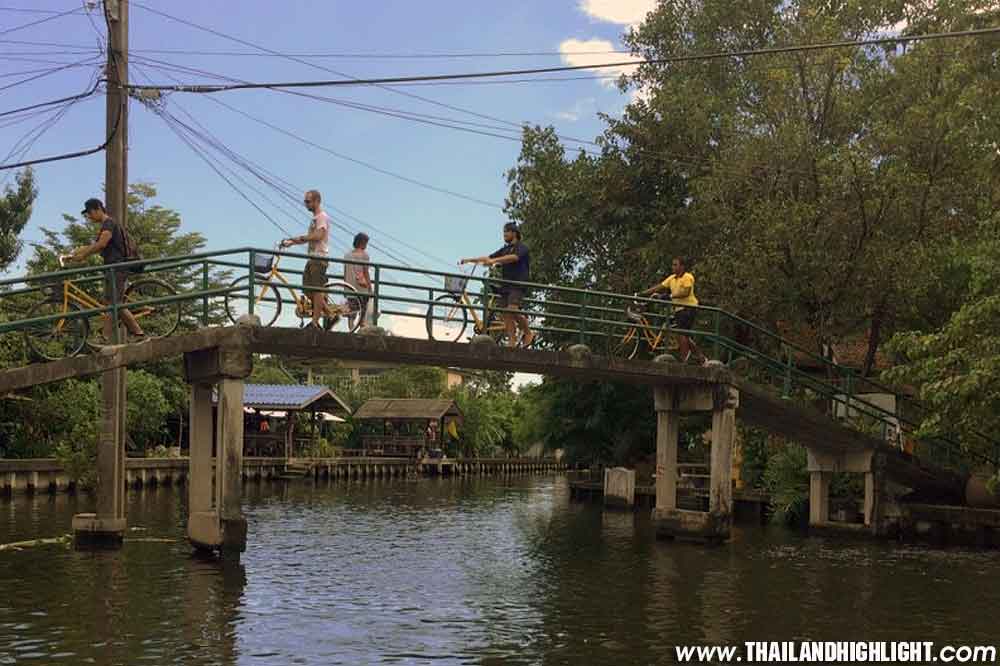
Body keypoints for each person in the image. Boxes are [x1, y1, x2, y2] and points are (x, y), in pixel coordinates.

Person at [64, 198, 145, 343]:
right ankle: (133, 334)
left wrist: (83, 255)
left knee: (114, 303)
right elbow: (95, 246)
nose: (89, 217)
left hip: (118, 267)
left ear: (97, 209)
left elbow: (101, 244)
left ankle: (109, 336)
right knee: (112, 303)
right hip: (112, 268)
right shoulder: (106, 226)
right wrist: (75, 254)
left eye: (89, 213)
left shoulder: (109, 223)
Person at [459, 222, 534, 348]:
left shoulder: (522, 247)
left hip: (518, 283)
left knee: (512, 310)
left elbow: (513, 258)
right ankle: (512, 341)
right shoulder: (504, 249)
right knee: (505, 314)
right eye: (504, 232)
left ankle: (528, 332)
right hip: (506, 284)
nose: (504, 234)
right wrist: (470, 260)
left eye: (507, 232)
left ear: (514, 233)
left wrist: (494, 261)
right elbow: (488, 257)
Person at [281, 189, 333, 329]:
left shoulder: (322, 217)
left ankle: (315, 322)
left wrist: (303, 238)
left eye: (308, 201)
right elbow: (310, 237)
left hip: (319, 258)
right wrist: (292, 242)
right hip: (312, 258)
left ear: (317, 201)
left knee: (316, 290)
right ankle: (330, 313)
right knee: (307, 289)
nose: (306, 204)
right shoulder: (314, 219)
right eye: (305, 201)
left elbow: (319, 235)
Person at [639, 257, 705, 364]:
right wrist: (643, 293)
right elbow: (659, 286)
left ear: (682, 267)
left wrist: (670, 296)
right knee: (683, 335)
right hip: (679, 309)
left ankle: (685, 360)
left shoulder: (687, 277)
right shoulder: (672, 278)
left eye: (675, 265)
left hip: (688, 308)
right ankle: (701, 357)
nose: (673, 267)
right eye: (672, 265)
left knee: (681, 333)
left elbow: (686, 292)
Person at [343, 232, 372, 328]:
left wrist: (345, 286)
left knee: (351, 310)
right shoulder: (365, 255)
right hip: (361, 288)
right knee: (362, 309)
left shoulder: (347, 255)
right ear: (362, 242)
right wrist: (370, 287)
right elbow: (366, 272)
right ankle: (361, 327)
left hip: (349, 286)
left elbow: (345, 271)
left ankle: (351, 329)